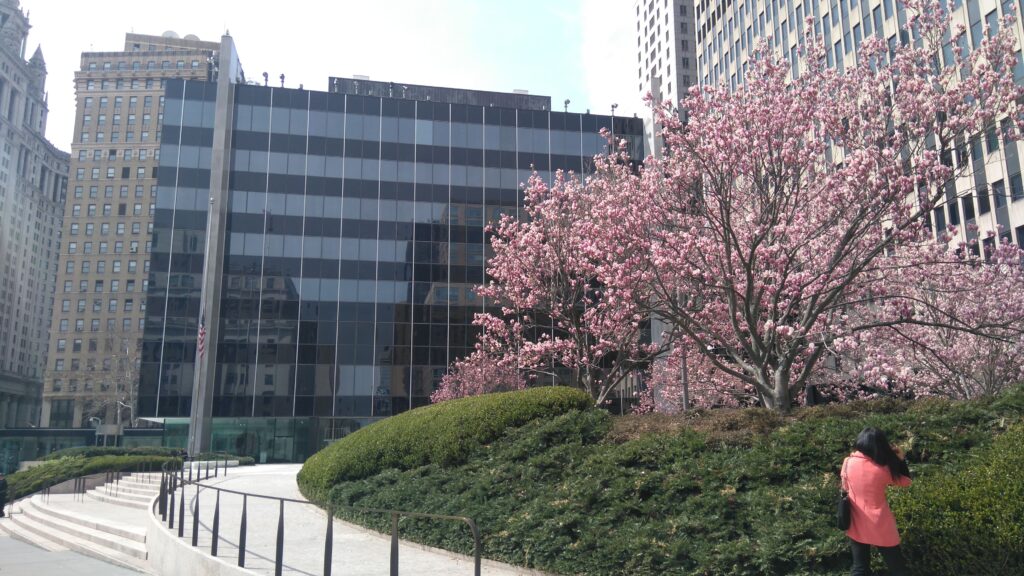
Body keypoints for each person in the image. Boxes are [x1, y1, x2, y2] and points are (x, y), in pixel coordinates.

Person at [841, 427, 912, 576]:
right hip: (880, 524)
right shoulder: (881, 470)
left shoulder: (847, 462)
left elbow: (845, 487)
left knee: (860, 568)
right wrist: (900, 459)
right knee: (898, 568)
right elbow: (906, 482)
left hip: (856, 521)